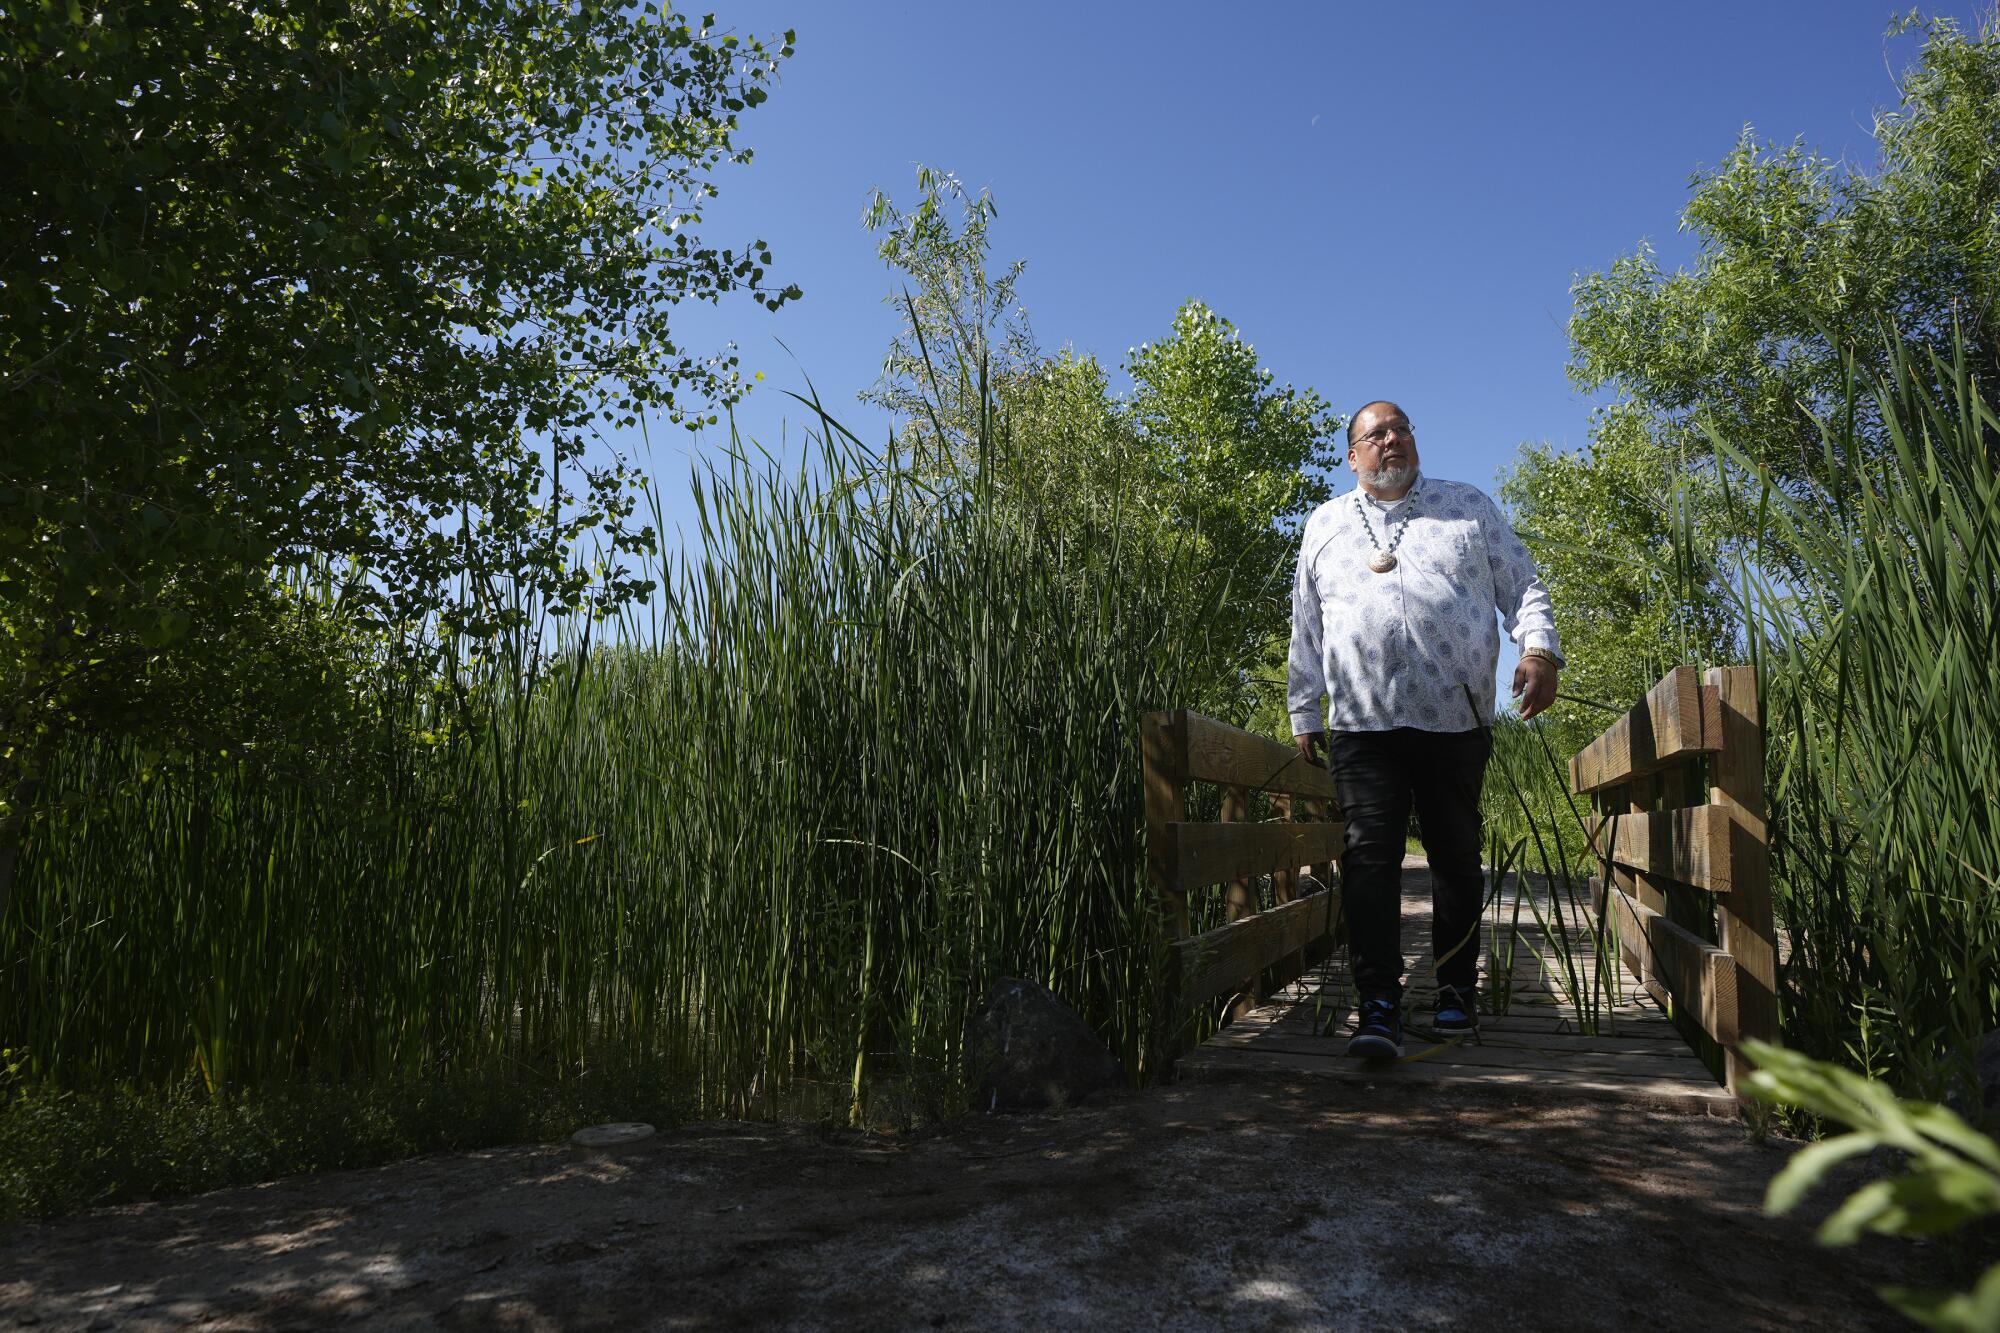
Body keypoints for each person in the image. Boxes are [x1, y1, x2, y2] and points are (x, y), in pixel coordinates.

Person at [1287, 400, 1562, 1059]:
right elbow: (1307, 623)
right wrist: (1304, 708)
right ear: (1353, 455)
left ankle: (1455, 995)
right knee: (1368, 860)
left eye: (1402, 429)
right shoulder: (1324, 523)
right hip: (1363, 723)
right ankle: (1378, 1005)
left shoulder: (1467, 506)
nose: (1392, 440)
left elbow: (1523, 585)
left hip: (1454, 718)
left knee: (1456, 859)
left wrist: (1539, 650)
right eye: (1376, 434)